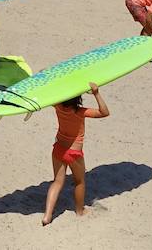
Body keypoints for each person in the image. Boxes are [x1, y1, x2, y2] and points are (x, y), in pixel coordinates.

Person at [42, 83, 110, 226]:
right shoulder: (81, 112)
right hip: (74, 152)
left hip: (58, 148)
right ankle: (80, 211)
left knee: (57, 182)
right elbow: (104, 112)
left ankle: (47, 216)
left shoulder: (57, 106)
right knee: (79, 181)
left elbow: (47, 92)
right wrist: (96, 93)